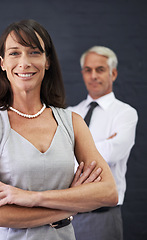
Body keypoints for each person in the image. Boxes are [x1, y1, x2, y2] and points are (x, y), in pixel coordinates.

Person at [0, 19, 118, 240]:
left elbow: (108, 193)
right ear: (2, 63)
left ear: (47, 61)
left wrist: (32, 198)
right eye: (14, 53)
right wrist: (70, 206)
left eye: (34, 52)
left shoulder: (72, 121)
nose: (24, 62)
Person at [68, 46, 138, 240]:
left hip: (103, 217)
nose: (93, 76)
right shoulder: (71, 113)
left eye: (100, 69)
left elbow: (112, 153)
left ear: (113, 73)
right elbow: (59, 157)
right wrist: (103, 143)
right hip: (67, 216)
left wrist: (73, 151)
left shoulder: (125, 113)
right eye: (88, 70)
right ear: (83, 74)